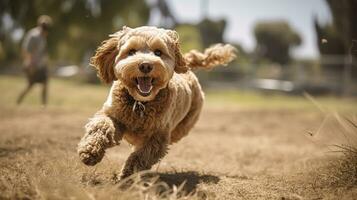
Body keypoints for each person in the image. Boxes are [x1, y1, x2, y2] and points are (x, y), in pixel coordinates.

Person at [17, 15, 52, 106]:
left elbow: (42, 52)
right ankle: (19, 100)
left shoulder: (43, 37)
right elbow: (26, 50)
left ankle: (43, 105)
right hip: (32, 65)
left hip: (40, 65)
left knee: (45, 82)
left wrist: (45, 61)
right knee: (30, 85)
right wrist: (30, 64)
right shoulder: (33, 35)